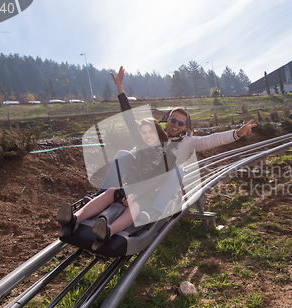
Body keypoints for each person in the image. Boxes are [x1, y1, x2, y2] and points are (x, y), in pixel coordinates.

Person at [109, 66, 257, 224]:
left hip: (161, 185)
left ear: (185, 127)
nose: (175, 125)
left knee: (176, 170)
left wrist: (237, 134)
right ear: (168, 119)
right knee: (124, 154)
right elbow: (131, 121)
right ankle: (104, 193)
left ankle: (154, 209)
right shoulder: (154, 134)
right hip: (141, 176)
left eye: (180, 123)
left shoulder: (188, 142)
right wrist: (120, 90)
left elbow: (212, 139)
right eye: (173, 120)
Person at [57, 116, 177, 250]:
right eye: (143, 132)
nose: (147, 136)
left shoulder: (169, 156)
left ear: (158, 132)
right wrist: (128, 192)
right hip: (134, 188)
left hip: (151, 193)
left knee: (135, 206)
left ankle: (108, 231)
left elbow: (154, 182)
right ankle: (74, 219)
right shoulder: (141, 148)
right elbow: (130, 120)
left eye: (151, 132)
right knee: (110, 192)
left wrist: (134, 196)